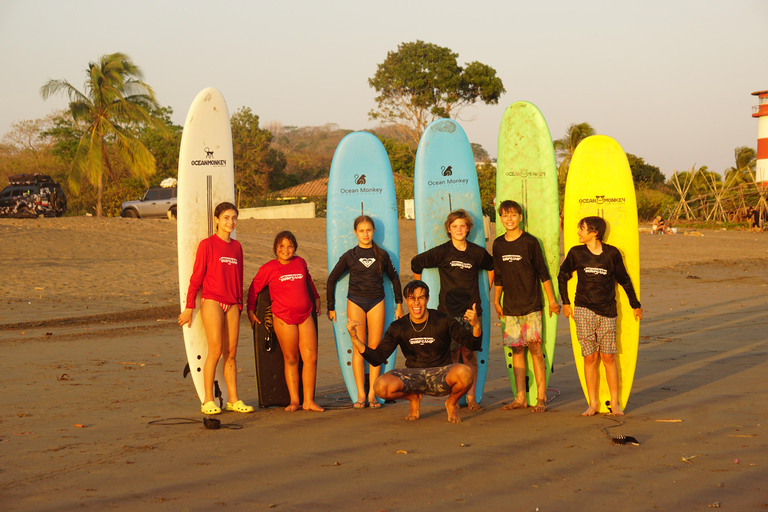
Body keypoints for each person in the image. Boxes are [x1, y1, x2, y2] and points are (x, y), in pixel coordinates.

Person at [346, 280, 478, 423]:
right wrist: (355, 339)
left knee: (466, 373)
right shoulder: (398, 327)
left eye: (421, 298)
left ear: (427, 299)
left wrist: (476, 326)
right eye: (412, 298)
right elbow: (377, 358)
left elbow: (472, 344)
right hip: (413, 377)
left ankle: (451, 403)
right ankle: (413, 398)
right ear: (406, 301)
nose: (416, 303)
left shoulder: (443, 320)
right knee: (380, 386)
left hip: (441, 374)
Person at [558, 216, 643, 417]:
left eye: (582, 229)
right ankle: (593, 403)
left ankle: (614, 403)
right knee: (589, 357)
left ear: (594, 232)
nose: (578, 233)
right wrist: (566, 302)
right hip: (583, 309)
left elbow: (624, 279)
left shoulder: (612, 254)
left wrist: (635, 305)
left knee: (608, 357)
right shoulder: (576, 253)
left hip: (607, 311)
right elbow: (562, 275)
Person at [410, 209, 494, 410]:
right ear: (449, 229)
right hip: (448, 313)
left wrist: (485, 291)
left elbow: (492, 267)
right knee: (452, 357)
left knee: (470, 355)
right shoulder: (443, 251)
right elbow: (416, 263)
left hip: (472, 313)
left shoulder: (476, 252)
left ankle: (471, 396)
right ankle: (454, 398)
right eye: (455, 226)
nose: (459, 229)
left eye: (462, 226)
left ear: (468, 228)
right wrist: (418, 295)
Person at [178, 202, 254, 415]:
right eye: (227, 218)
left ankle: (234, 400)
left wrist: (239, 304)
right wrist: (189, 307)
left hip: (232, 303)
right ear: (217, 220)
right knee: (215, 350)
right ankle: (208, 400)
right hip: (212, 300)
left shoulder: (237, 247)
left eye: (234, 218)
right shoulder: (207, 244)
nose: (231, 222)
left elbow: (239, 279)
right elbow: (196, 278)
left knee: (231, 353)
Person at [327, 215, 404, 408]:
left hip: (377, 302)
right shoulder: (350, 255)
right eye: (361, 231)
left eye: (368, 230)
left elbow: (395, 279)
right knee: (359, 348)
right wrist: (330, 306)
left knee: (375, 349)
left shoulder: (382, 255)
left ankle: (372, 394)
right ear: (355, 233)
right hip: (355, 302)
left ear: (373, 231)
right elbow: (332, 279)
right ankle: (360, 394)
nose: (365, 234)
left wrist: (399, 304)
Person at [492, 200, 560, 412]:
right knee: (517, 351)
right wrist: (496, 300)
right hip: (510, 306)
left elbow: (543, 272)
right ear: (500, 218)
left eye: (513, 215)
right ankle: (520, 397)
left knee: (535, 350)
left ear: (520, 217)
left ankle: (541, 397)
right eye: (505, 215)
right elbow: (500, 275)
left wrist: (551, 300)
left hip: (531, 304)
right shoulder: (498, 244)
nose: (509, 219)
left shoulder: (531, 242)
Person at [247, 231, 324, 412]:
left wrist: (317, 298)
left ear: (294, 248)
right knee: (291, 359)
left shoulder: (300, 262)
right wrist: (250, 310)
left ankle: (309, 401)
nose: (285, 250)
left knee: (311, 357)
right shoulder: (268, 268)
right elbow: (254, 289)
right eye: (281, 246)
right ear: (275, 248)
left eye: (289, 246)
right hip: (283, 318)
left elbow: (309, 282)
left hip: (305, 315)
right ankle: (295, 401)